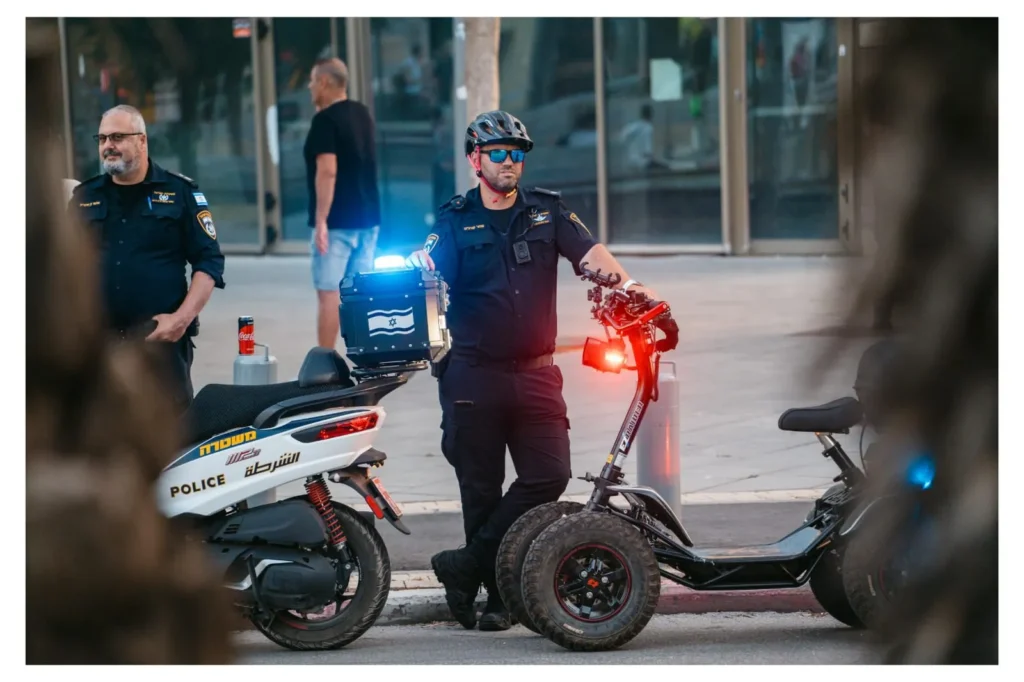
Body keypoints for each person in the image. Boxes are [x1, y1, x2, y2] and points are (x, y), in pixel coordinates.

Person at [407, 110, 668, 632]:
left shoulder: (547, 212)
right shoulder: (454, 221)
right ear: (475, 160)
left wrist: (631, 286)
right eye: (500, 153)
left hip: (536, 374)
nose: (511, 162)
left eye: (518, 153)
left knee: (548, 473)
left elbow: (592, 255)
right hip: (473, 376)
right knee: (480, 490)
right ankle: (495, 598)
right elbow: (426, 274)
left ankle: (464, 567)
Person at [69, 104, 225, 412]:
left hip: (160, 346)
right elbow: (61, 266)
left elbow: (209, 262)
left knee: (169, 440)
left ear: (142, 141)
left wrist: (181, 320)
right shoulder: (85, 197)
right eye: (101, 139)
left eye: (117, 137)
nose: (107, 146)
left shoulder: (180, 193)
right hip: (100, 347)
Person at [304, 57, 382, 349]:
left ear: (324, 82)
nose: (310, 87)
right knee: (359, 294)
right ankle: (368, 360)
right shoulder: (362, 114)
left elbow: (328, 170)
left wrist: (322, 220)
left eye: (313, 81)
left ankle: (324, 363)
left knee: (329, 294)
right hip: (368, 219)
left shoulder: (324, 122)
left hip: (337, 224)